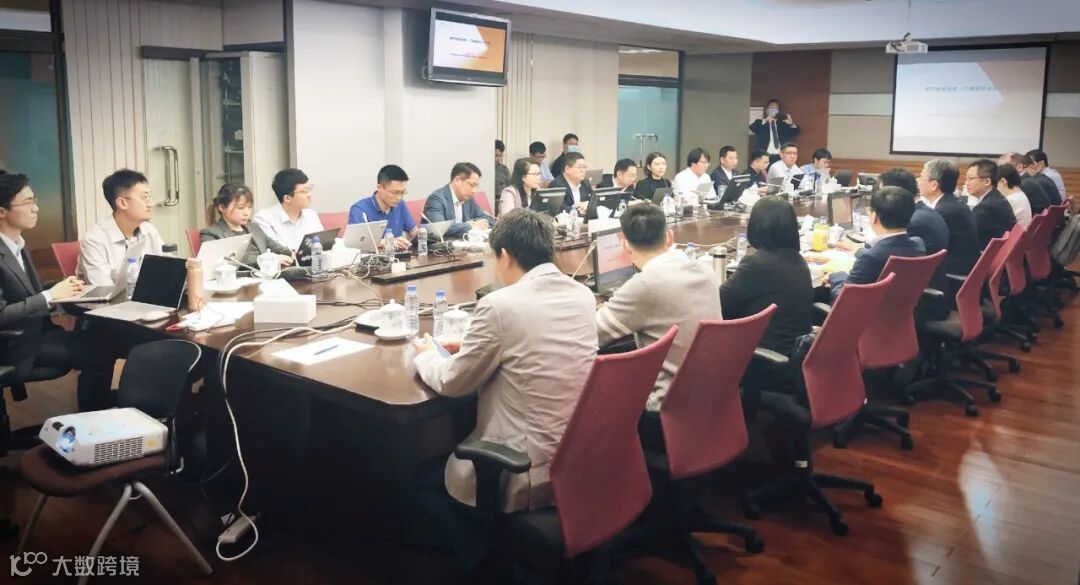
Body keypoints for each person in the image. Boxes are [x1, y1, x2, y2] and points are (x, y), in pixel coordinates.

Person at [411, 208, 596, 577]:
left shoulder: (499, 305)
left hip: (526, 467)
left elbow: (452, 382)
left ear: (505, 255)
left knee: (422, 482)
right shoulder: (582, 295)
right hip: (578, 458)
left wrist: (426, 355)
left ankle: (489, 567)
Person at [1, 171, 113, 411]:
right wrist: (50, 296)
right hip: (14, 345)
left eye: (34, 200)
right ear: (2, 211)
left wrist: (61, 287)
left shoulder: (16, 244)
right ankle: (92, 419)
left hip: (37, 334)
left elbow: (23, 292)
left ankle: (98, 413)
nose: (36, 208)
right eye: (27, 202)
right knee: (100, 352)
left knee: (102, 342)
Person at [595, 204, 722, 411]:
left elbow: (592, 333)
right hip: (713, 392)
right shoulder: (705, 270)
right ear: (669, 236)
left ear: (625, 246)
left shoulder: (644, 285)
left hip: (667, 403)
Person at [721, 196, 813, 356]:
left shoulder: (756, 264)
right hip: (794, 353)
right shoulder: (799, 260)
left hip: (763, 357)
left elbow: (719, 303)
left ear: (756, 226)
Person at [828, 187, 926, 301]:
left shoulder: (871, 258)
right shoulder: (918, 244)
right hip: (900, 309)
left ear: (874, 217)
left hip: (866, 311)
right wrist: (857, 249)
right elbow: (886, 253)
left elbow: (844, 299)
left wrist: (836, 276)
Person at [76, 169, 164, 286]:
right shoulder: (94, 240)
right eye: (144, 198)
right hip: (109, 298)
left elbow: (165, 271)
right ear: (122, 203)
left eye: (149, 197)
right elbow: (103, 290)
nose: (150, 204)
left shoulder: (150, 231)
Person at [880, 168, 949, 295]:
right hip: (930, 285)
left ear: (895, 194)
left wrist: (858, 249)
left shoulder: (913, 220)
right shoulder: (927, 211)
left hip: (919, 295)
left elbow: (886, 258)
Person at [200, 183, 294, 267]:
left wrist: (293, 253)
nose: (246, 213)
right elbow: (229, 261)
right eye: (240, 208)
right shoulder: (210, 233)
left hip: (268, 274)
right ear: (222, 208)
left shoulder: (254, 227)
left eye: (249, 207)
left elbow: (277, 248)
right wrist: (271, 259)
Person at [917, 159, 980, 277]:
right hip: (963, 268)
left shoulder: (944, 212)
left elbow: (928, 248)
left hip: (952, 274)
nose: (918, 181)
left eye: (921, 177)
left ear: (934, 185)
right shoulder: (953, 203)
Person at [348, 165, 418, 251]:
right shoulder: (359, 210)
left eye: (403, 192)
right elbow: (355, 244)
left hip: (396, 257)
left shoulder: (400, 204)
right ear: (379, 188)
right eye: (395, 192)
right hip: (372, 258)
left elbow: (413, 233)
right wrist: (385, 242)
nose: (399, 197)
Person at [251, 168, 324, 251]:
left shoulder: (311, 215)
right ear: (287, 198)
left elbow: (322, 246)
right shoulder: (263, 219)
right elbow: (271, 251)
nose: (309, 195)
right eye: (305, 191)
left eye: (309, 189)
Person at [423, 162, 493, 240]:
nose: (474, 191)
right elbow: (439, 229)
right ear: (457, 180)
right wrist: (471, 225)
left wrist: (480, 223)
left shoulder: (468, 199)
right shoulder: (436, 199)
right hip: (442, 246)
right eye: (471, 185)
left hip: (464, 243)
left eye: (476, 186)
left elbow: (488, 219)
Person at [966, 159, 1016, 248]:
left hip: (987, 253)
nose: (966, 183)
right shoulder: (996, 198)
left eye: (970, 178)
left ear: (987, 182)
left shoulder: (987, 207)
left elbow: (966, 231)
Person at [748, 98, 799, 163]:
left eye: (776, 108)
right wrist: (765, 120)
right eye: (771, 107)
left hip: (780, 156)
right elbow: (752, 127)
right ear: (766, 110)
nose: (773, 110)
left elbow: (795, 131)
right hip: (765, 155)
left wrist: (791, 124)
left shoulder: (782, 124)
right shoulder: (760, 122)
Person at [997, 163, 1032, 228]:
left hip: (1013, 233)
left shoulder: (1010, 200)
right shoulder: (1021, 194)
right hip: (1022, 232)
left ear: (1003, 181)